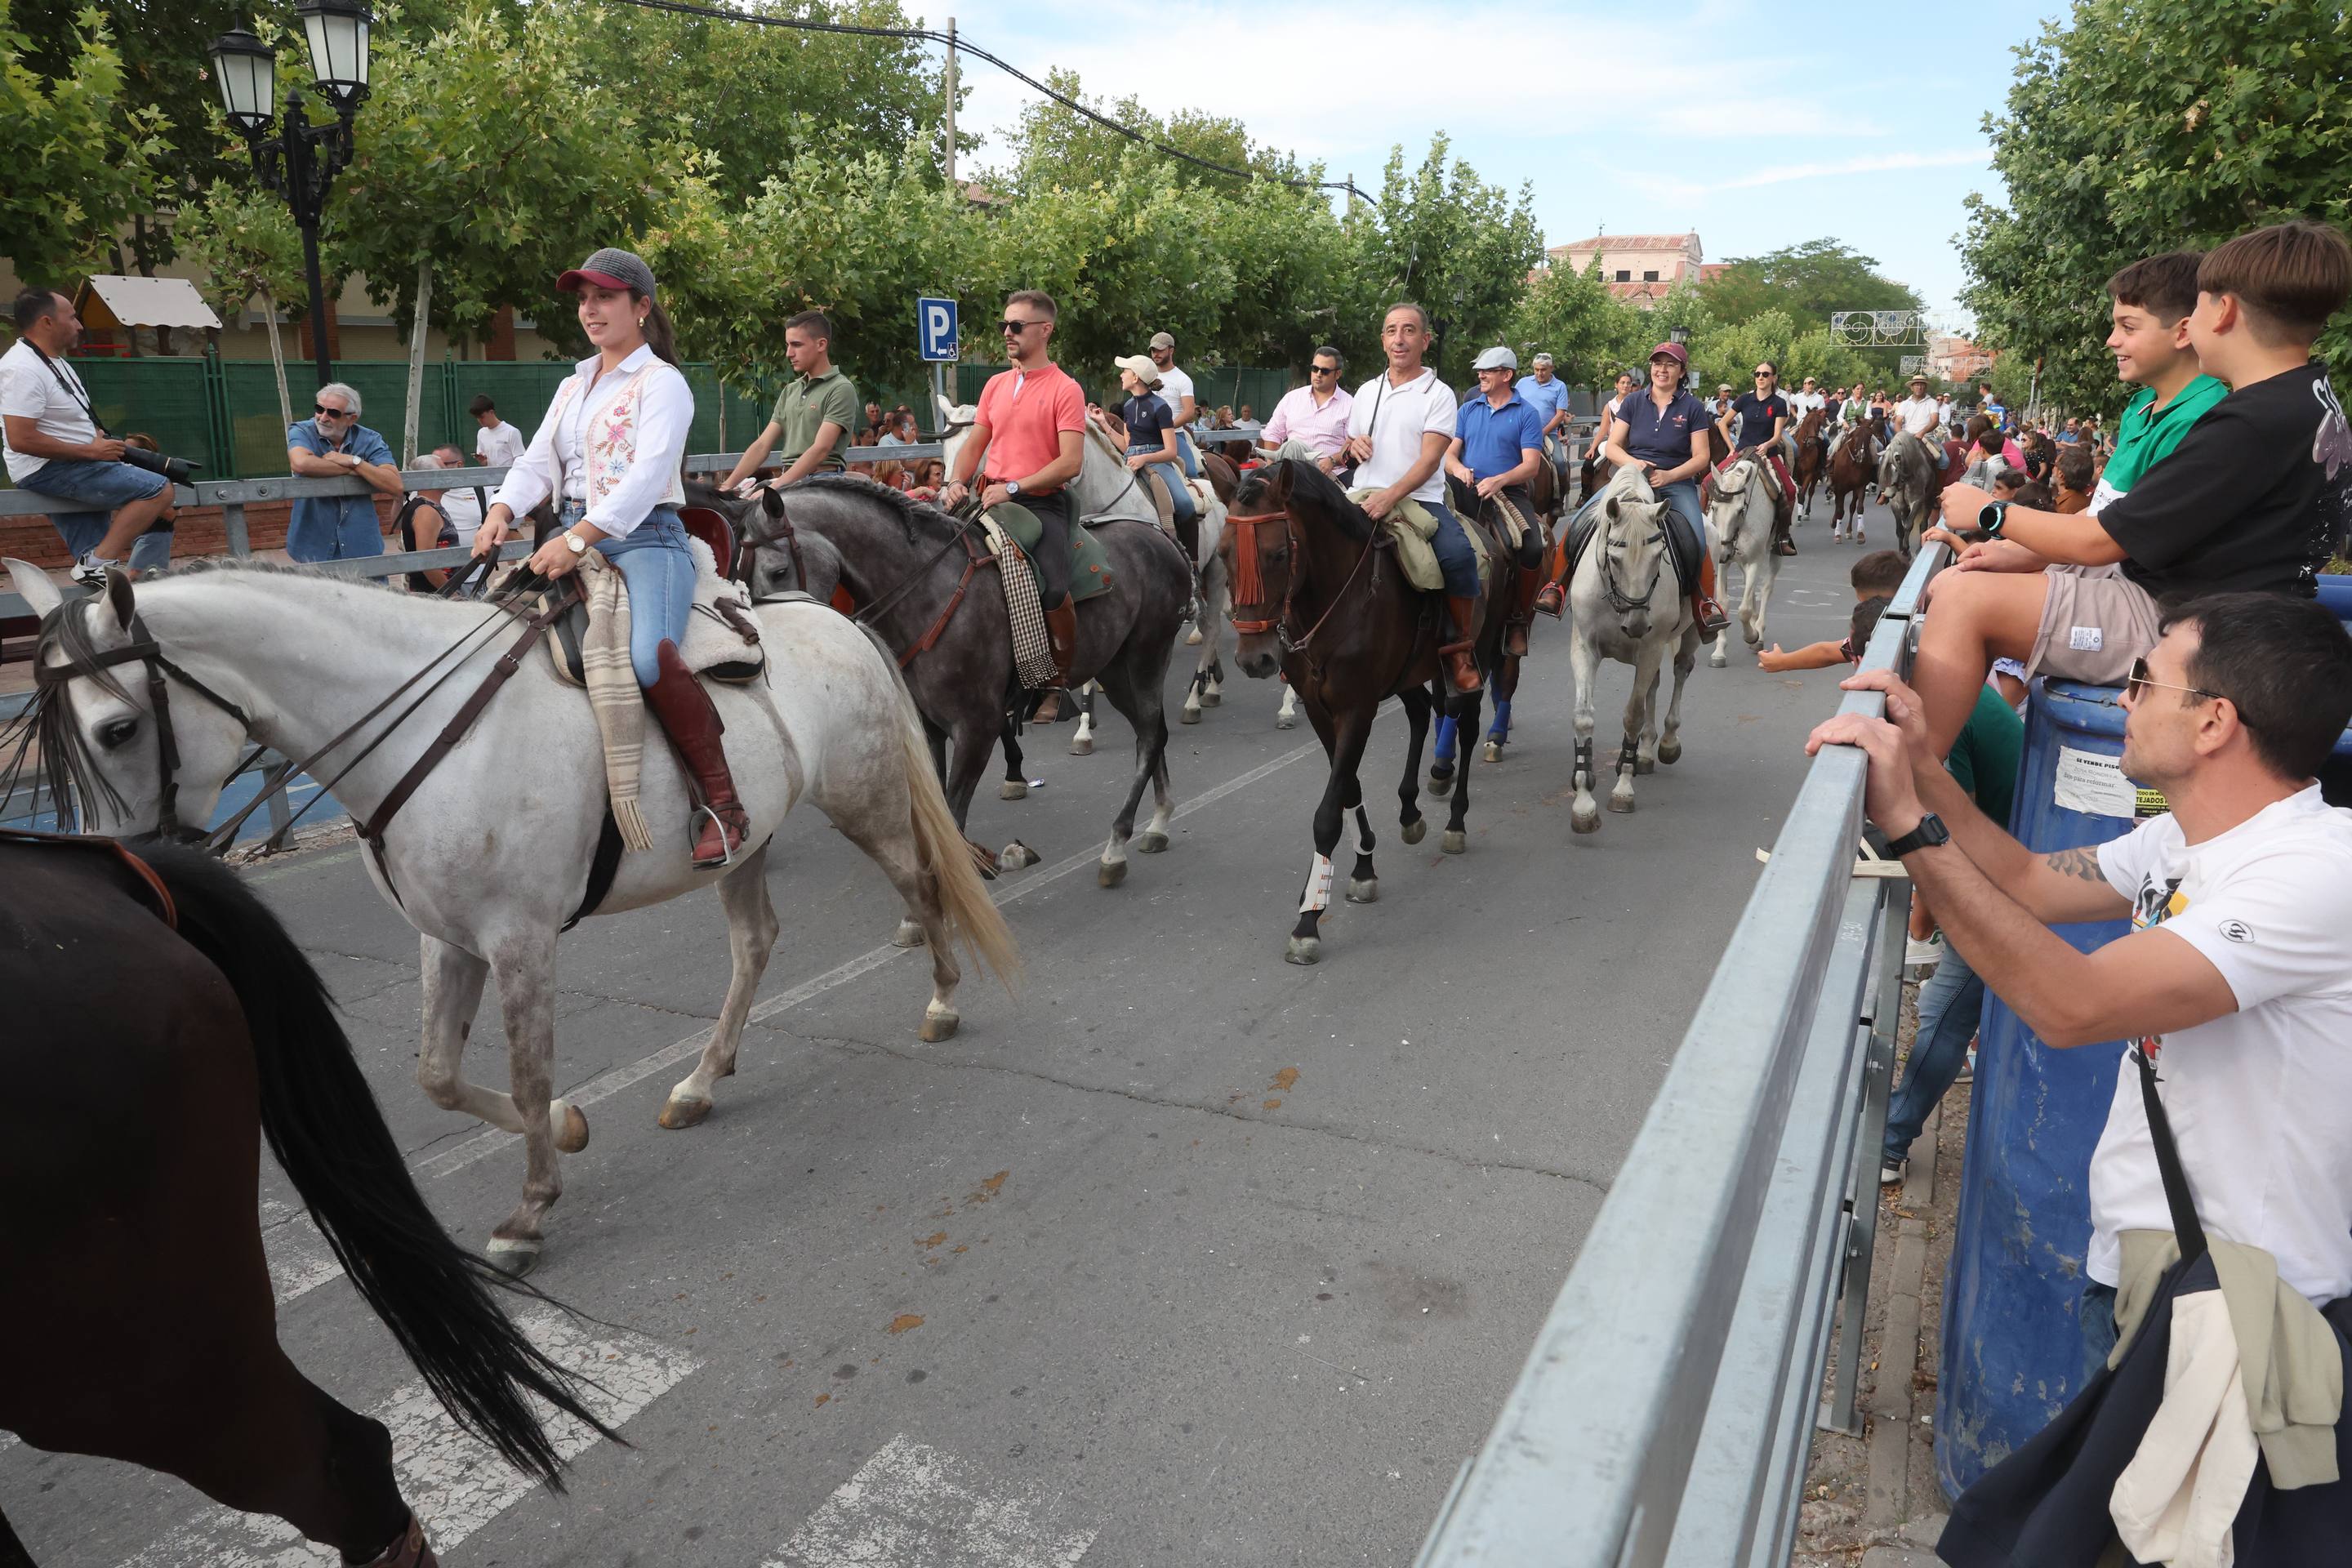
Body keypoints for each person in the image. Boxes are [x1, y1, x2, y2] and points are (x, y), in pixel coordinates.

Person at [1815, 594, 2352, 1382]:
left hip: (2242, 1305)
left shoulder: (2312, 873)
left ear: (2214, 722)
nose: (2125, 700)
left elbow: (2074, 1005)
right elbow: (2031, 881)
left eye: (2144, 681)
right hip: (2153, 1267)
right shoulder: (2183, 837)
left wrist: (1907, 825)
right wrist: (1924, 768)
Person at [1917, 221, 2352, 755]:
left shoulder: (2250, 423)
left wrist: (1991, 512)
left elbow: (2105, 540)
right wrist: (2030, 553)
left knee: (1963, 599)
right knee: (1978, 580)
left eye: (2201, 304)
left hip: (2199, 629)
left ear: (2223, 311)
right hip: (2226, 611)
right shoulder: (2310, 399)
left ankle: (1914, 776)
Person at [470, 247, 746, 868]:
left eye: (605, 297)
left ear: (641, 307)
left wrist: (577, 540)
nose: (590, 310)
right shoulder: (574, 384)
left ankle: (724, 803)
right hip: (569, 534)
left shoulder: (663, 382)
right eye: (584, 299)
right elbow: (537, 461)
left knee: (649, 658)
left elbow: (648, 476)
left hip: (645, 539)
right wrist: (501, 512)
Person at [942, 291, 1089, 713]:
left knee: (1053, 585)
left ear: (1045, 330)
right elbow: (974, 444)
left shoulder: (1066, 389)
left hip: (1040, 503)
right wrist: (955, 482)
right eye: (1004, 325)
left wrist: (1013, 488)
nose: (1007, 332)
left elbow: (1070, 463)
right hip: (987, 498)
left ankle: (1055, 684)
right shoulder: (995, 385)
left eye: (1017, 326)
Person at [1342, 301, 1482, 693]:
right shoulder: (1366, 391)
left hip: (1420, 498)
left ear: (1425, 340)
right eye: (1391, 331)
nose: (1399, 339)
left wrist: (1389, 497)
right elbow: (1349, 445)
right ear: (1383, 340)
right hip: (1361, 494)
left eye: (1408, 330)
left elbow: (1429, 460)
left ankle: (1459, 651)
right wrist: (1353, 446)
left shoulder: (1438, 394)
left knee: (1458, 556)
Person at [1544, 341, 1728, 630]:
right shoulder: (1632, 402)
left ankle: (1704, 603)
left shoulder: (1692, 407)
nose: (1662, 370)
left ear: (1682, 372)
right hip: (1631, 478)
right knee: (1580, 520)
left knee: (1697, 535)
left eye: (1670, 364)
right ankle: (1556, 586)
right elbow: (1613, 446)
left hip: (1675, 483)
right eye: (1657, 364)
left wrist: (1669, 475)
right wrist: (1634, 464)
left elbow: (1702, 457)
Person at [2, 287, 177, 583]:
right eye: (72, 318)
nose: (80, 325)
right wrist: (91, 452)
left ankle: (123, 576)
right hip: (51, 469)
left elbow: (61, 419)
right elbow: (20, 438)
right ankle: (108, 567)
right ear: (47, 322)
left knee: (100, 567)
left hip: (73, 463)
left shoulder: (52, 362)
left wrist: (95, 439)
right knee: (159, 490)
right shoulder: (22, 368)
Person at [2082, 252, 2230, 514]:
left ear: (2183, 333)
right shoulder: (2141, 406)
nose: (2111, 340)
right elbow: (2100, 512)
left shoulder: (2198, 422)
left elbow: (2120, 533)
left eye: (2128, 327)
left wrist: (2005, 514)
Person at [1446, 345, 1551, 657]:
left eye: (1488, 371)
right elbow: (1449, 454)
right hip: (1464, 489)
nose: (1480, 375)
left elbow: (1531, 466)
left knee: (1532, 547)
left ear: (1506, 375)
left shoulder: (1526, 413)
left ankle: (1518, 617)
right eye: (1480, 370)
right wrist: (1459, 469)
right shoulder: (1467, 409)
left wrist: (1500, 480)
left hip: (1507, 492)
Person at [716, 310, 858, 496]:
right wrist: (726, 487)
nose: (789, 353)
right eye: (788, 345)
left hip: (823, 482)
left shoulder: (841, 388)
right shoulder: (791, 390)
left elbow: (821, 449)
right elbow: (762, 446)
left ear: (821, 344)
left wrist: (774, 489)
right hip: (789, 482)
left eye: (796, 345)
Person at [285, 381, 403, 564]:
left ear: (352, 419)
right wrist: (359, 469)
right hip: (313, 545)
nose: (323, 418)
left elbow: (395, 485)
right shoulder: (302, 430)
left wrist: (354, 461)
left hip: (362, 545)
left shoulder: (370, 439)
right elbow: (301, 464)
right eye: (319, 409)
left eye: (333, 413)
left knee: (370, 584)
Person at [1100, 352, 1198, 561]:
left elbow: (1171, 451)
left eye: (1125, 371)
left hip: (1157, 463)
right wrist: (1102, 423)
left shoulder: (1161, 407)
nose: (1121, 375)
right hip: (1131, 462)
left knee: (1185, 504)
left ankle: (1193, 563)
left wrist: (1144, 459)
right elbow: (1127, 446)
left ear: (1136, 377)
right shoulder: (1128, 406)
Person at [1756, 549, 1910, 670]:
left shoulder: (1871, 629)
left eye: (1863, 603)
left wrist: (1782, 662)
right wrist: (1783, 661)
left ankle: (1782, 535)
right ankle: (1782, 537)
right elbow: (1826, 652)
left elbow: (1827, 653)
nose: (1865, 609)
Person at [1717, 359, 1797, 555]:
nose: (1760, 377)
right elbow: (1722, 423)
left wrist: (1767, 444)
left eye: (1765, 374)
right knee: (1708, 482)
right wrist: (1731, 448)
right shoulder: (1744, 399)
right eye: (1757, 374)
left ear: (1773, 378)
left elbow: (1777, 435)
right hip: (1742, 451)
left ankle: (1782, 538)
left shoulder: (1779, 403)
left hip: (1767, 453)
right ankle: (1705, 529)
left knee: (1790, 490)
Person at [1260, 346, 1354, 470]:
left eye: (1325, 371)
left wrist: (1333, 460)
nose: (1318, 374)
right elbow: (1273, 433)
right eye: (1315, 369)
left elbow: (1351, 445)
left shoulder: (1350, 404)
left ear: (1338, 374)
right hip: (1291, 468)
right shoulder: (1291, 399)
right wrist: (1272, 465)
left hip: (1331, 471)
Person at [1146, 331, 1202, 483]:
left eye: (1160, 350)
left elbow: (1189, 412)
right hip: (1146, 435)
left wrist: (1166, 428)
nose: (1155, 354)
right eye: (1153, 350)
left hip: (1174, 434)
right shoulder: (1147, 377)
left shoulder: (1182, 379)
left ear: (1171, 350)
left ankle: (1198, 494)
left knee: (1190, 471)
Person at [1514, 351, 1574, 466]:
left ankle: (1563, 479)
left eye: (1543, 370)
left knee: (1560, 463)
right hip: (1521, 432)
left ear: (1551, 368)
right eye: (1536, 370)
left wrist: (1541, 433)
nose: (1539, 373)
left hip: (1548, 434)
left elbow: (1560, 415)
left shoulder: (1560, 386)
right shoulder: (1522, 383)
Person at [470, 394, 526, 470]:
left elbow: (520, 460)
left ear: (491, 412)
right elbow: (485, 463)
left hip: (509, 476)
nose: (479, 420)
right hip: (490, 477)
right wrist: (483, 461)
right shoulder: (481, 433)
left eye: (482, 417)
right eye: (477, 417)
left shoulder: (512, 432)